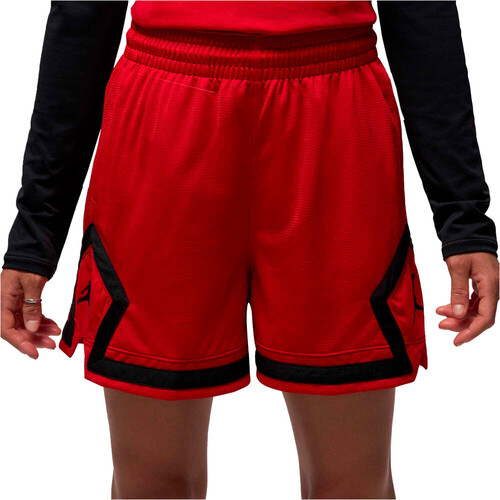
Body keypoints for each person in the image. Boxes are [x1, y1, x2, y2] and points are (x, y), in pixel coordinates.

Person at [1, 2, 498, 499]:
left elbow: (421, 12)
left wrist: (464, 220)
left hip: (334, 116)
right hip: (167, 115)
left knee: (353, 486)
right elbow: (84, 16)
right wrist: (35, 235)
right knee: (153, 485)